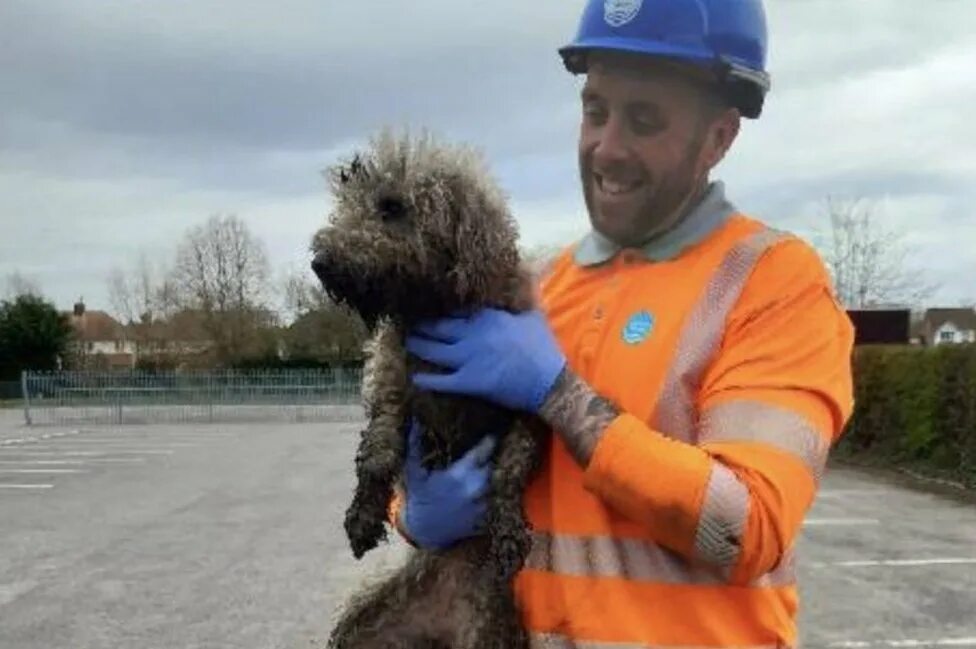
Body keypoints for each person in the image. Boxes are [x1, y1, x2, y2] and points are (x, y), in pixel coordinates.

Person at [391, 0, 855, 646]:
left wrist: (560, 394)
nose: (607, 148)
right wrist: (415, 511)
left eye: (644, 120)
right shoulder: (533, 288)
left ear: (719, 137)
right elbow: (447, 457)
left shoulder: (774, 282)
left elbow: (746, 524)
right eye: (595, 111)